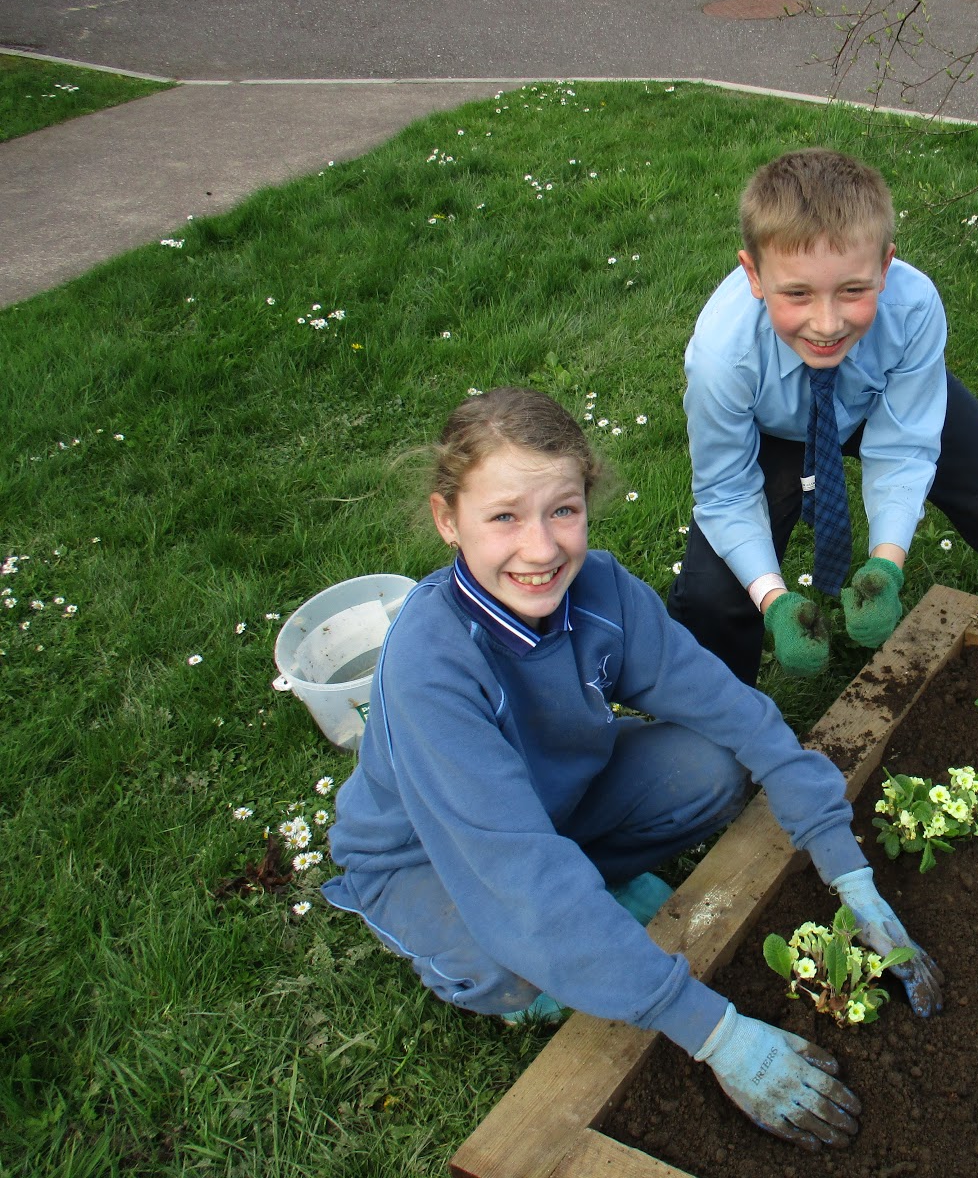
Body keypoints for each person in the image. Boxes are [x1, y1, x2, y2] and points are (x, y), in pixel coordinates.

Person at [321, 386, 942, 1150]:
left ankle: (596, 899)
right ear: (448, 519)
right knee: (513, 965)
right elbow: (519, 877)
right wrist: (716, 1033)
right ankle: (525, 933)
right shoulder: (432, 665)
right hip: (427, 853)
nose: (542, 549)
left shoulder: (603, 592)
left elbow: (740, 715)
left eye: (564, 510)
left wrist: (849, 874)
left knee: (713, 766)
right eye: (504, 517)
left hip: (551, 806)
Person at [667, 148, 978, 685]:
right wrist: (774, 598)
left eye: (853, 290)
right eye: (798, 293)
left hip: (885, 395)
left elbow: (903, 446)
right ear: (754, 275)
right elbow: (727, 492)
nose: (826, 324)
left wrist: (885, 567)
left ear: (885, 266)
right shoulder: (723, 358)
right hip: (775, 424)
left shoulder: (914, 306)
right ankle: (714, 726)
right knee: (714, 594)